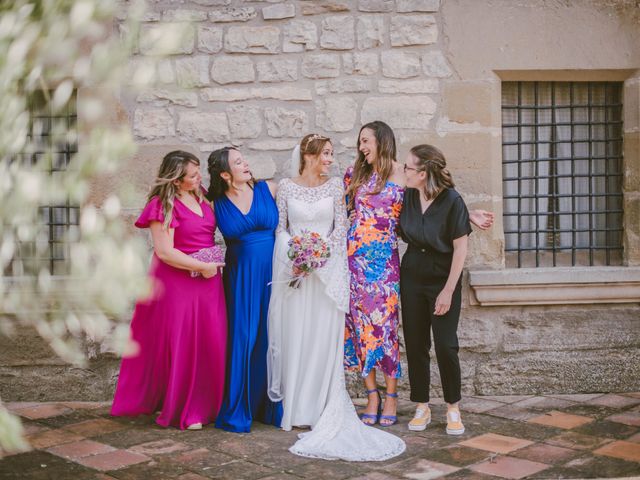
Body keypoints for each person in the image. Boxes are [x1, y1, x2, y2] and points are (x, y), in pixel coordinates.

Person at [344, 121, 493, 428]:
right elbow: (346, 212)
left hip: (414, 271)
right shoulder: (388, 186)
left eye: (366, 141)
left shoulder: (420, 186)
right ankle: (407, 403)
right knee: (402, 340)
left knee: (437, 342)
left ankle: (444, 406)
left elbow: (446, 204)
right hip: (385, 268)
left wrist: (468, 213)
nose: (361, 147)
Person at [267, 134, 405, 461]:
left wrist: (320, 260)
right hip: (298, 274)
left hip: (326, 275)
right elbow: (280, 228)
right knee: (296, 335)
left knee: (325, 338)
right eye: (326, 153)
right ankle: (296, 407)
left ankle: (324, 405)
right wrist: (296, 259)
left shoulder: (335, 186)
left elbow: (338, 230)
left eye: (331, 153)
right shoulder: (286, 187)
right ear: (309, 155)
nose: (332, 158)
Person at [111, 150, 226, 430]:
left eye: (199, 171)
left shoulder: (202, 195)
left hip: (208, 281)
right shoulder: (162, 204)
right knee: (185, 342)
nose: (200, 177)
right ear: (176, 180)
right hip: (178, 281)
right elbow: (165, 251)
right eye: (193, 175)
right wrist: (201, 266)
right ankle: (186, 409)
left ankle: (211, 404)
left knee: (211, 339)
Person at [400, 144, 478, 435]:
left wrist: (447, 291)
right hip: (411, 275)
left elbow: (460, 249)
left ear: (423, 173)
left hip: (443, 277)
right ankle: (421, 405)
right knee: (416, 342)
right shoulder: (406, 195)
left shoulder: (452, 200)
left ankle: (453, 408)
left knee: (446, 345)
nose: (403, 171)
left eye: (408, 168)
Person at [207, 147, 283, 433]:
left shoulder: (270, 189)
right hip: (240, 278)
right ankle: (240, 406)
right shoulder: (215, 203)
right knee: (244, 337)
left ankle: (269, 405)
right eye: (238, 162)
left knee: (271, 336)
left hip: (274, 274)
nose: (245, 163)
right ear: (225, 174)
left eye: (244, 159)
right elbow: (196, 231)